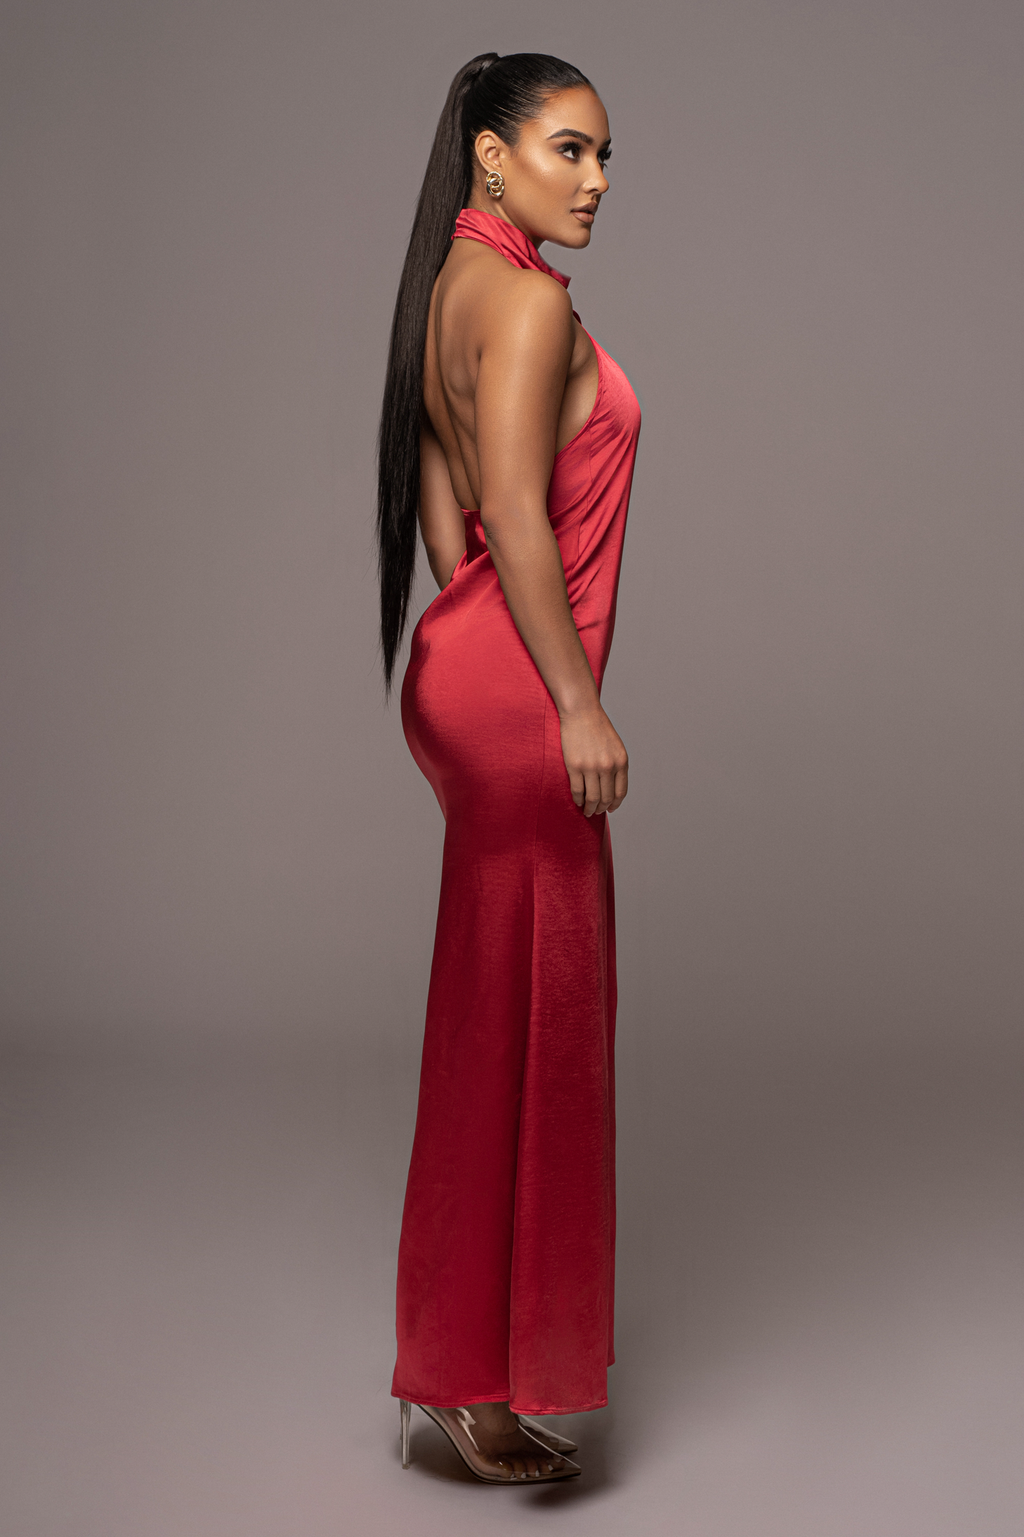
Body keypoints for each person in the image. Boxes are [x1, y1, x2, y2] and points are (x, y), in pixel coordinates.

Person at [376, 52, 641, 1484]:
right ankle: (480, 1385)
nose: (596, 182)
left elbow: (450, 524)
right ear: (493, 154)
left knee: (491, 1025)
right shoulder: (531, 304)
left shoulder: (448, 296)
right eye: (569, 150)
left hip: (461, 670)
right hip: (528, 693)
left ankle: (460, 1372)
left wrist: (485, 666)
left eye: (605, 158)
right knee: (543, 1029)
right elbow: (520, 523)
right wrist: (576, 704)